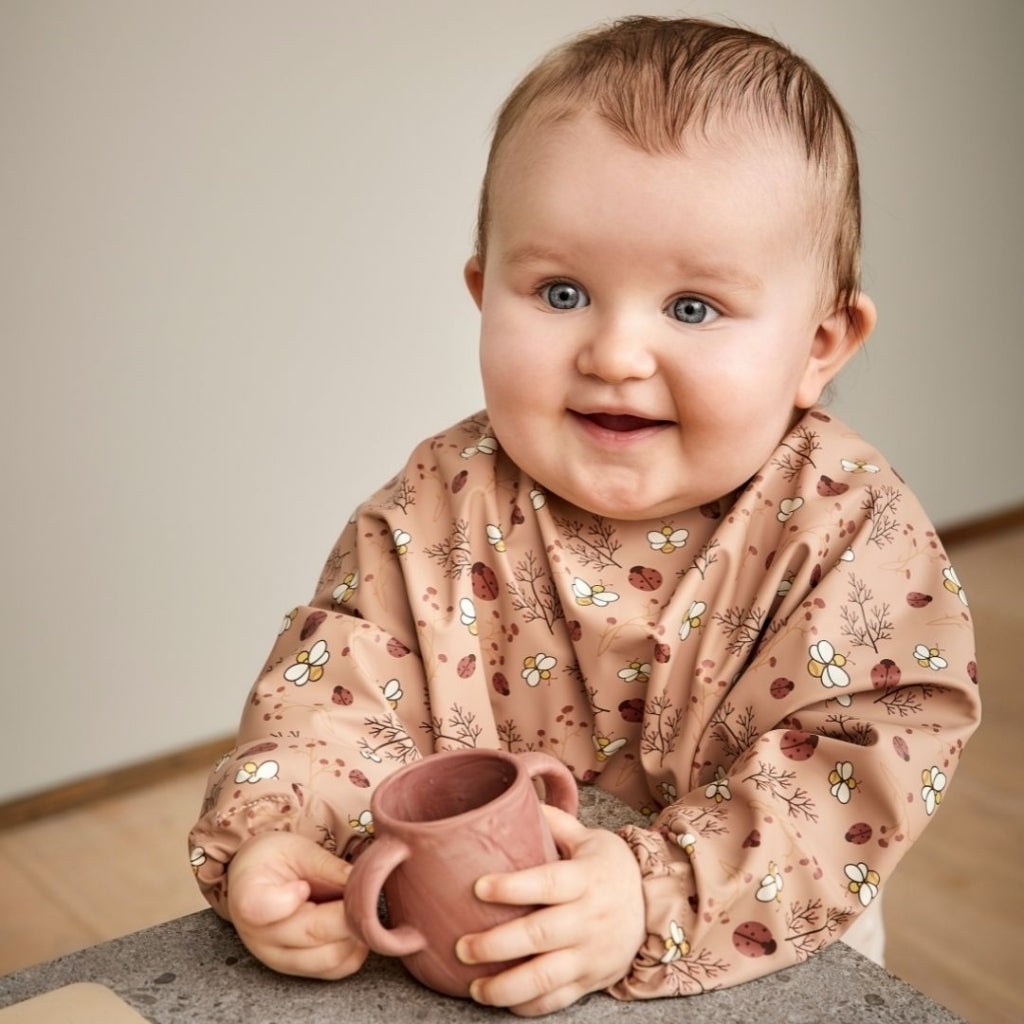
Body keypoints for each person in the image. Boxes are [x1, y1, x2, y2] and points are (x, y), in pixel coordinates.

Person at [189, 15, 980, 1014]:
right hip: (470, 927)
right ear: (483, 294)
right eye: (560, 291)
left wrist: (649, 894)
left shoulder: (848, 531)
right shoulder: (436, 504)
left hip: (748, 940)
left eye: (692, 306)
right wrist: (275, 833)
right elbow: (338, 688)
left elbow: (856, 758)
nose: (614, 352)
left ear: (821, 342)